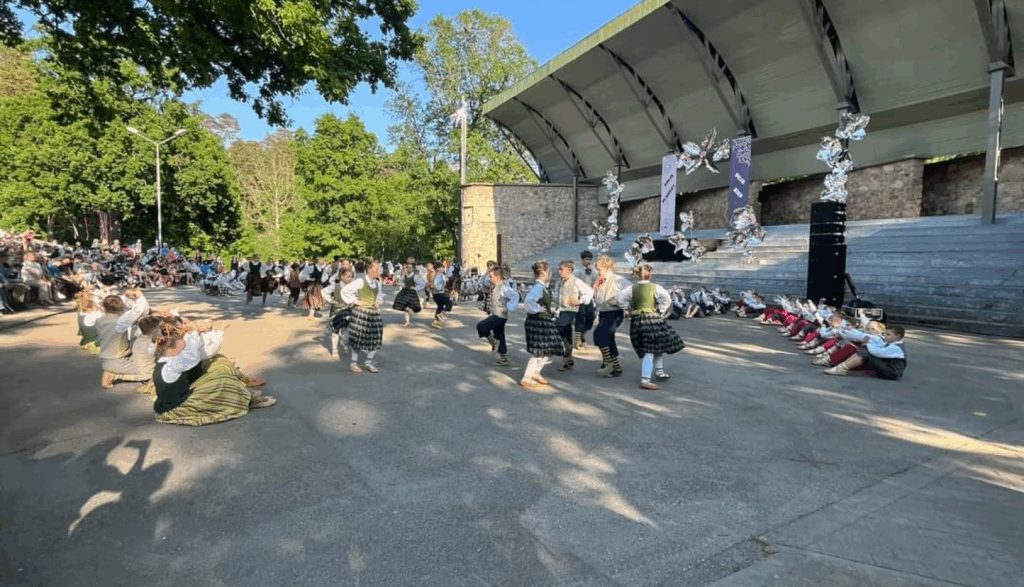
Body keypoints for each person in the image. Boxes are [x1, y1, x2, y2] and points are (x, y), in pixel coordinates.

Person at [151, 324, 275, 426]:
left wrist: (194, 332)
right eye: (180, 344)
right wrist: (193, 332)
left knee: (218, 369)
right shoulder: (173, 363)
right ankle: (245, 402)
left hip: (179, 396)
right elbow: (192, 355)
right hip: (178, 406)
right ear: (173, 348)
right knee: (222, 381)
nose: (183, 345)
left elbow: (194, 352)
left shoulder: (167, 358)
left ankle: (245, 394)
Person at [615, 264, 685, 390]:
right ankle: (645, 379)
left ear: (636, 275)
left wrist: (627, 308)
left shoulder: (632, 288)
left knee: (655, 345)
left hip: (637, 319)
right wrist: (660, 311)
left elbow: (619, 298)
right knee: (651, 348)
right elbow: (667, 299)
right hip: (652, 318)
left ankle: (659, 371)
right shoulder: (655, 287)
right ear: (650, 274)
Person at [520, 261, 563, 388]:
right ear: (544, 273)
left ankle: (535, 372)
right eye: (549, 272)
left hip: (544, 320)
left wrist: (551, 312)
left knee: (549, 349)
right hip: (538, 321)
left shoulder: (543, 287)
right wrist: (538, 309)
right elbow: (528, 301)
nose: (550, 274)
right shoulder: (538, 287)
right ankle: (527, 377)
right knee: (539, 351)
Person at [340, 259, 385, 373]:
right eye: (376, 268)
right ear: (369, 269)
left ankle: (368, 362)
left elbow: (379, 296)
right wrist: (356, 301)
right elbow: (345, 291)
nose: (378, 271)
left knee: (375, 338)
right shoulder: (361, 281)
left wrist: (378, 302)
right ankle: (353, 364)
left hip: (373, 313)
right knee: (358, 338)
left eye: (379, 269)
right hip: (361, 312)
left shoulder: (377, 283)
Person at [591, 256, 629, 377]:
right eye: (597, 269)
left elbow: (630, 291)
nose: (598, 271)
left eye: (599, 269)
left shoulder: (618, 279)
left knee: (599, 334)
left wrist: (619, 301)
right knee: (609, 338)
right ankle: (617, 368)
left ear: (607, 268)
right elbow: (594, 295)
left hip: (614, 311)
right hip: (603, 311)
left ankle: (607, 360)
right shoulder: (599, 280)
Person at [553, 260, 594, 372]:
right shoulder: (559, 283)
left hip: (572, 310)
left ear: (569, 270)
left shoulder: (576, 281)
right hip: (562, 310)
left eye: (561, 269)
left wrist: (579, 301)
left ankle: (566, 357)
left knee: (558, 326)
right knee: (565, 334)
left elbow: (589, 292)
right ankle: (568, 359)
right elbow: (556, 296)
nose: (559, 271)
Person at [476, 265, 520, 366]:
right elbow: (484, 282)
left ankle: (494, 342)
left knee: (481, 326)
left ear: (497, 277)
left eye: (491, 277)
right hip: (497, 314)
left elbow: (515, 296)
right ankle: (504, 358)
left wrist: (508, 307)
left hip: (500, 316)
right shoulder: (496, 287)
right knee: (499, 335)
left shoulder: (504, 287)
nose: (490, 279)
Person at [825, 325, 906, 379]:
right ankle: (841, 366)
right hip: (886, 367)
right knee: (865, 350)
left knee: (866, 352)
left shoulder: (897, 348)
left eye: (888, 334)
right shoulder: (890, 343)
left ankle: (842, 368)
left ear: (897, 336)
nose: (885, 336)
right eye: (884, 334)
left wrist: (868, 344)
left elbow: (876, 352)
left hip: (891, 372)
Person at [328, 267, 356, 356]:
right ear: (342, 277)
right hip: (336, 310)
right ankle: (334, 349)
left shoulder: (353, 287)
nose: (350, 279)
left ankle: (345, 344)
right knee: (335, 330)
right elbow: (324, 292)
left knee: (346, 328)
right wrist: (331, 300)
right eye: (348, 277)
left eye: (351, 277)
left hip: (347, 309)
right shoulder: (335, 286)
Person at [573, 251, 597, 348]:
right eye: (587, 259)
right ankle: (578, 339)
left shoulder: (593, 271)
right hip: (579, 297)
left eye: (590, 260)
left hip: (589, 297)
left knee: (590, 317)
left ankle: (583, 333)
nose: (588, 262)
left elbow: (597, 280)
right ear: (582, 260)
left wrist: (595, 289)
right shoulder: (577, 271)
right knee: (580, 318)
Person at [392, 258, 425, 326]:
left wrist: (416, 288)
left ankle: (409, 317)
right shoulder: (404, 276)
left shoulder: (415, 276)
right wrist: (403, 285)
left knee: (410, 306)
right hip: (405, 291)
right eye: (408, 268)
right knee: (403, 304)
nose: (409, 269)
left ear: (413, 269)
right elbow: (400, 281)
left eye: (410, 268)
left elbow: (422, 284)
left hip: (412, 293)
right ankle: (407, 321)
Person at [425, 262, 454, 329]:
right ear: (437, 269)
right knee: (449, 303)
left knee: (440, 306)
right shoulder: (438, 275)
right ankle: (441, 314)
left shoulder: (439, 275)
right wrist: (440, 288)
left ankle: (436, 322)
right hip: (439, 293)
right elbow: (435, 284)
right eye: (440, 268)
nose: (442, 269)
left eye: (442, 268)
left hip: (436, 294)